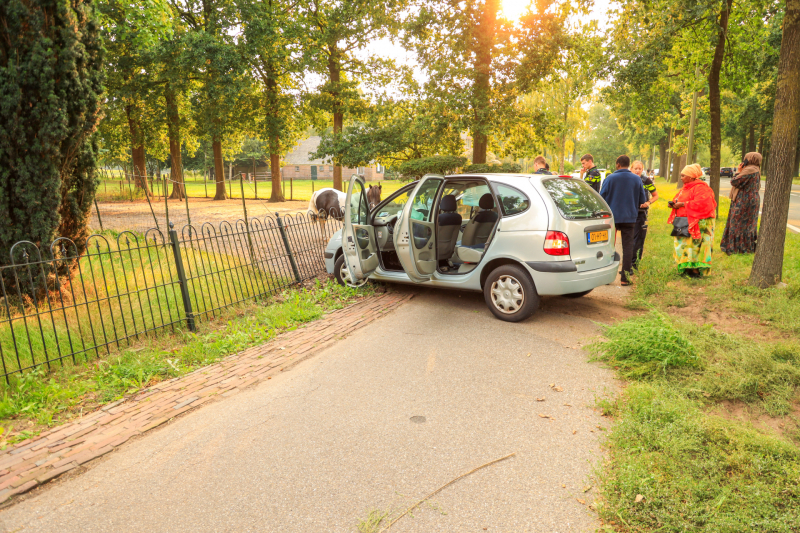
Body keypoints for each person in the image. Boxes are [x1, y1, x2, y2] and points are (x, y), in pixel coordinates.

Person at [600, 155, 647, 286]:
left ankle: (606, 278)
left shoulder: (610, 178)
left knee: (609, 245)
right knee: (628, 247)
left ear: (618, 164)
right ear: (628, 164)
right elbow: (642, 200)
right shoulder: (636, 179)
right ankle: (625, 278)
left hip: (612, 218)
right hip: (629, 218)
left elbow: (601, 197)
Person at [667, 164, 718, 278]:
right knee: (684, 245)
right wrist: (675, 204)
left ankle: (694, 270)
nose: (681, 178)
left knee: (695, 247)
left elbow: (704, 203)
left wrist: (684, 204)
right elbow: (680, 200)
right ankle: (686, 267)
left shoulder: (701, 188)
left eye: (683, 175)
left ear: (691, 176)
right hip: (683, 222)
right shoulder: (686, 187)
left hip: (700, 223)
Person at [720, 152, 762, 254]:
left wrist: (738, 171)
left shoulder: (749, 170)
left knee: (737, 223)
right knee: (749, 224)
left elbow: (734, 182)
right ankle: (747, 246)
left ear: (750, 159)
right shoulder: (756, 169)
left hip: (744, 200)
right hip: (752, 199)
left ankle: (737, 248)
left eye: (746, 158)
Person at [630, 160, 659, 268]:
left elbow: (655, 195)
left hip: (641, 213)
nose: (637, 171)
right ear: (631, 169)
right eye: (635, 168)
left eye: (639, 169)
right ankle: (627, 264)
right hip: (629, 213)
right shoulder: (628, 180)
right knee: (629, 239)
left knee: (638, 240)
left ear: (642, 170)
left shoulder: (646, 180)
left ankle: (635, 264)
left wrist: (648, 202)